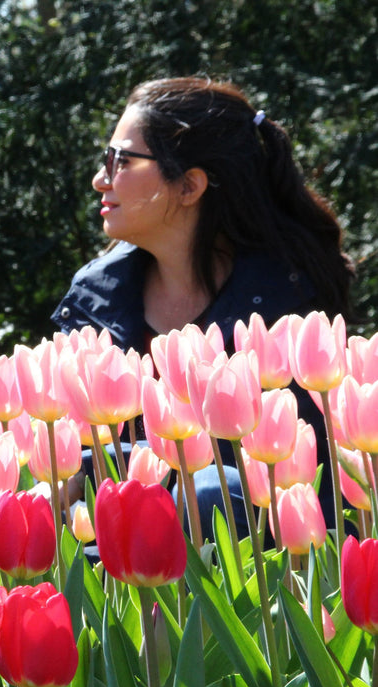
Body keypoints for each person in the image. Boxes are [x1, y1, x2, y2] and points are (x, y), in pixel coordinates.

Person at [53, 76, 356, 535]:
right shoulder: (93, 302)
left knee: (213, 491)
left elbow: (308, 474)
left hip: (265, 550)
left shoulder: (285, 309)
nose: (101, 178)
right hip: (120, 549)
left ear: (189, 186)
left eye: (122, 161)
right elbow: (72, 447)